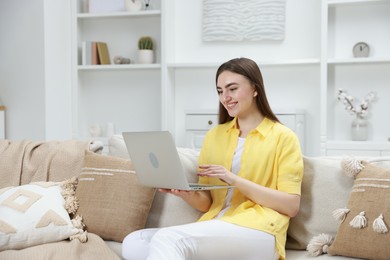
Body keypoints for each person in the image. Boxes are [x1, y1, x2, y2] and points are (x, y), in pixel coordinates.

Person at [122, 57, 303, 260]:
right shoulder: (215, 136)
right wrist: (185, 193)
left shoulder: (283, 137)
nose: (225, 97)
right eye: (220, 91)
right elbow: (208, 204)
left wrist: (234, 180)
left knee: (168, 238)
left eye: (232, 89)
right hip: (217, 224)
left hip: (260, 229)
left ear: (255, 88)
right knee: (134, 243)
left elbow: (291, 205)